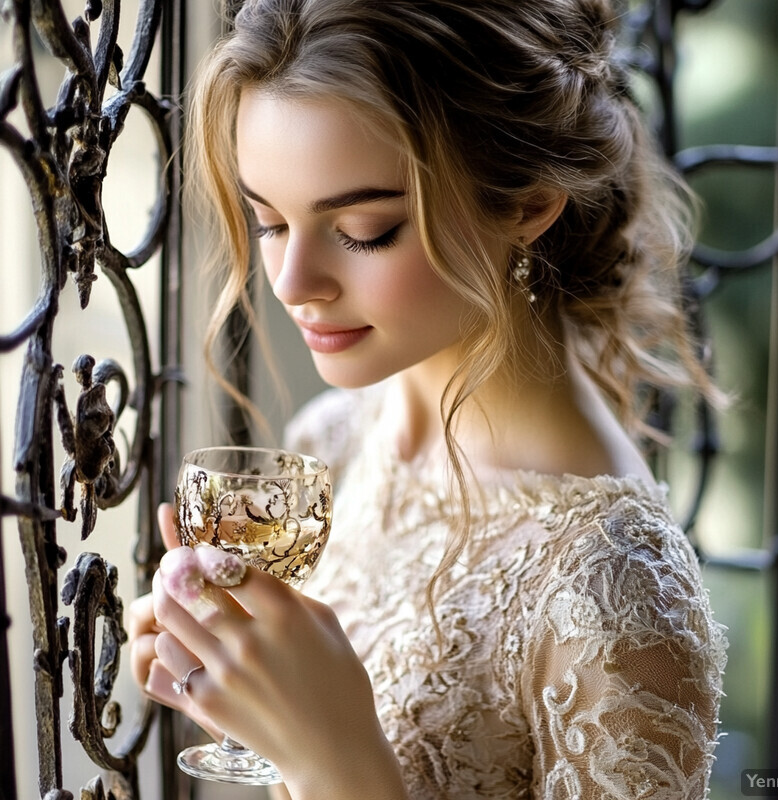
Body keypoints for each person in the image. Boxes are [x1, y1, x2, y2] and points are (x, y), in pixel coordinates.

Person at [129, 0, 728, 797]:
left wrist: (337, 764)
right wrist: (253, 700)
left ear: (526, 204)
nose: (291, 282)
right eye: (269, 221)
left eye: (366, 228)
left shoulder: (617, 594)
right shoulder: (331, 446)